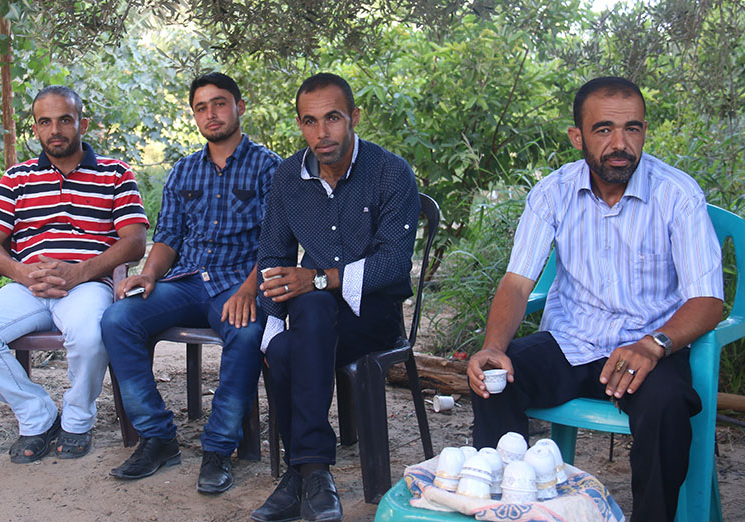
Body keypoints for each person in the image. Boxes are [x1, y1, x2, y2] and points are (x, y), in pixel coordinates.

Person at [467, 76, 724, 521]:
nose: (620, 144)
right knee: (495, 380)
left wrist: (653, 345)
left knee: (666, 404)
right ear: (577, 136)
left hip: (646, 352)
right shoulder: (553, 192)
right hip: (571, 343)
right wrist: (493, 347)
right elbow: (517, 283)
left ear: (644, 131)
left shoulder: (678, 195)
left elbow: (708, 301)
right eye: (604, 130)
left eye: (632, 129)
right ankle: (505, 509)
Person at [253, 73, 420, 522]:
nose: (321, 132)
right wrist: (271, 327)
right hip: (315, 319)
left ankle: (302, 475)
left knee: (309, 306)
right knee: (283, 343)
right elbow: (273, 255)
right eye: (310, 121)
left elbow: (393, 264)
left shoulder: (390, 172)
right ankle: (313, 473)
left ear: (354, 118)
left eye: (332, 118)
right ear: (300, 124)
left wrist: (319, 279)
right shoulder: (288, 177)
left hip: (373, 315)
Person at [102, 72, 280, 494]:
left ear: (239, 106)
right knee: (117, 319)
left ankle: (218, 448)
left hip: (238, 283)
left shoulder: (269, 167)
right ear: (194, 115)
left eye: (219, 103)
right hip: (186, 281)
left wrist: (250, 289)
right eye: (201, 107)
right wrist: (148, 274)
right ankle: (157, 437)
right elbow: (168, 237)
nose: (210, 114)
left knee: (247, 331)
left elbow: (276, 242)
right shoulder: (184, 170)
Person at [0, 86, 148, 464]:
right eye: (45, 122)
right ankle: (37, 415)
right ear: (35, 129)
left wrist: (80, 273)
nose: (55, 130)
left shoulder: (115, 173)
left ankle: (77, 420)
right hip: (29, 284)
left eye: (64, 120)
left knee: (91, 335)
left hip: (87, 284)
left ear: (82, 124)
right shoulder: (17, 177)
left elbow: (135, 242)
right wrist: (21, 272)